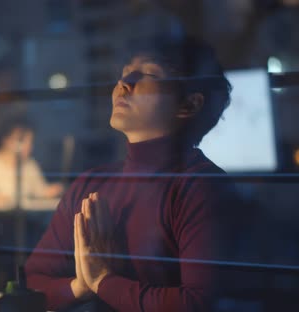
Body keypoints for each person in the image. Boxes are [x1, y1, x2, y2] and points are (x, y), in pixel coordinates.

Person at [25, 41, 234, 312]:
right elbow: (30, 284)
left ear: (189, 104)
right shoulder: (91, 184)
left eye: (148, 74)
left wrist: (103, 281)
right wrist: (81, 286)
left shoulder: (200, 186)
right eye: (124, 72)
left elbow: (195, 303)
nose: (124, 82)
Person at [0, 117, 63, 209]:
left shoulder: (29, 164)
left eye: (30, 141)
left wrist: (52, 191)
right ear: (6, 140)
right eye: (22, 141)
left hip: (27, 221)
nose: (29, 146)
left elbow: (40, 191)